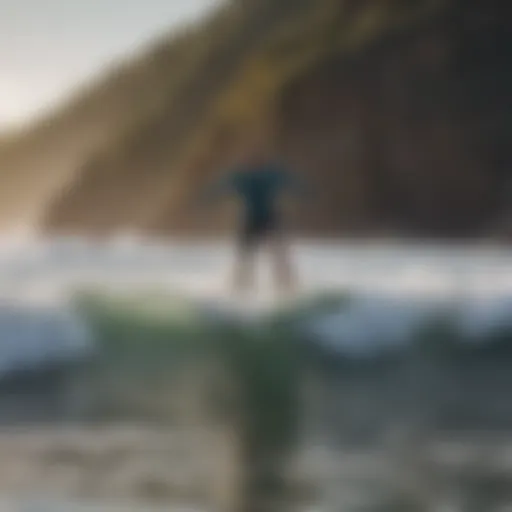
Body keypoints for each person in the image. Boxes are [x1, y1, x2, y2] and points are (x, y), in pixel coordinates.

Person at [200, 143, 308, 297]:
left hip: (270, 218)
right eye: (251, 160)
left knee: (278, 253)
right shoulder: (244, 176)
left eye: (257, 160)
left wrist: (305, 192)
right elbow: (221, 188)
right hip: (253, 220)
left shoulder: (269, 174)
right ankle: (242, 285)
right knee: (247, 255)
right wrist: (207, 198)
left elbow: (292, 183)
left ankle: (286, 285)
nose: (254, 163)